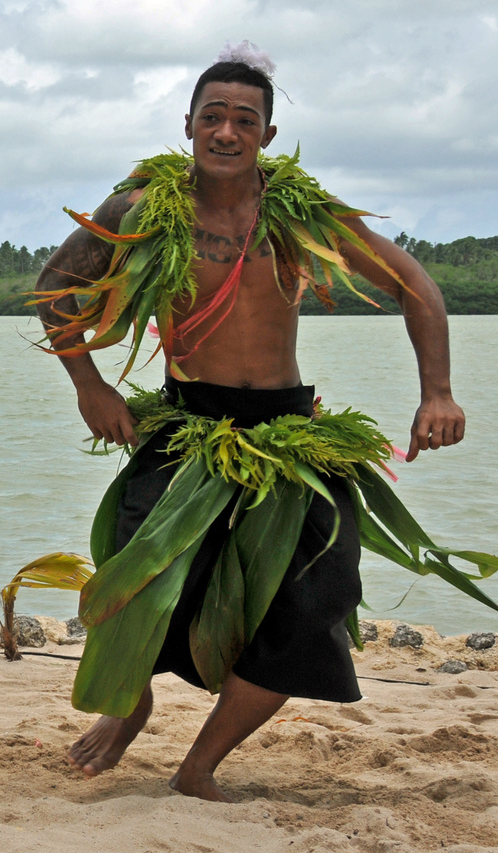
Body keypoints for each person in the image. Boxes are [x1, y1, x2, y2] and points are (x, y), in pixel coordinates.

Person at [31, 42, 493, 801]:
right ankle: (132, 704)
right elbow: (56, 288)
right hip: (188, 427)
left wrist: (436, 391)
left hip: (287, 433)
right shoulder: (143, 209)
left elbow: (415, 284)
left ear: (267, 136)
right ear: (187, 124)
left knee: (316, 608)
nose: (226, 132)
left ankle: (199, 766)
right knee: (132, 587)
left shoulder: (296, 215)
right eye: (213, 116)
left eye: (245, 120)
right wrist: (88, 385)